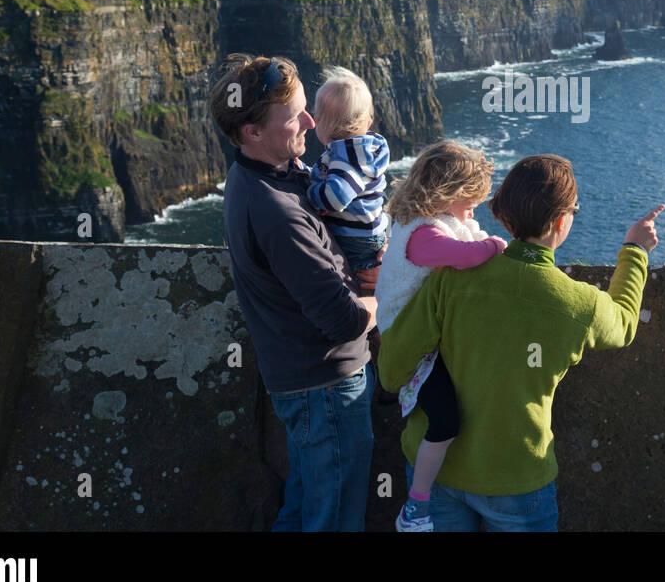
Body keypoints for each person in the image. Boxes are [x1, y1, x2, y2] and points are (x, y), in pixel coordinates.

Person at [379, 152, 664, 531]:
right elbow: (625, 322)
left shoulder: (448, 280)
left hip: (436, 476)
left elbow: (391, 368)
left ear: (502, 214)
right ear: (562, 220)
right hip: (514, 480)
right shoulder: (580, 305)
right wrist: (634, 251)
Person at [211, 53, 379, 532]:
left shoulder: (256, 175)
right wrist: (388, 295)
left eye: (308, 108)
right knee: (334, 520)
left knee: (305, 509)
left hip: (302, 383)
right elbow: (344, 320)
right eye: (295, 117)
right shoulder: (278, 212)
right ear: (252, 132)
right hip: (326, 387)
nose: (311, 121)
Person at [376, 140, 508, 531]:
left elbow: (466, 235)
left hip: (423, 335)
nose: (476, 208)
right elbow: (468, 255)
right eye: (470, 200)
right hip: (409, 343)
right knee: (446, 421)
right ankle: (416, 504)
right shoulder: (423, 235)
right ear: (445, 194)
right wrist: (497, 245)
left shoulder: (430, 221)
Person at [306, 66, 391, 284]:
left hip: (356, 240)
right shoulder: (364, 150)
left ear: (319, 123)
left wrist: (311, 192)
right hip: (370, 231)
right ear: (368, 122)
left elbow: (335, 198)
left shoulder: (348, 159)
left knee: (357, 282)